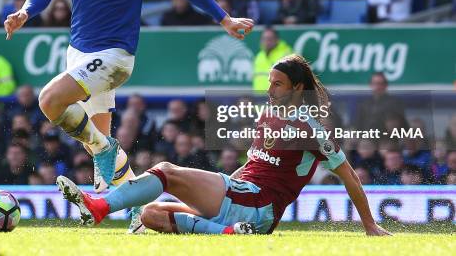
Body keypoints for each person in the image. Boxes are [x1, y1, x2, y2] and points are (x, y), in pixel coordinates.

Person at [3, 0, 253, 233]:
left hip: (115, 56)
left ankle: (108, 156)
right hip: (79, 54)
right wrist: (26, 11)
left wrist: (224, 18)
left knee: (50, 100)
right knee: (98, 150)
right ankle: (139, 216)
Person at [56, 54, 391, 236]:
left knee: (166, 171)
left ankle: (99, 207)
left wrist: (369, 225)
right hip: (241, 197)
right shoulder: (268, 114)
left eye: (278, 84)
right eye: (269, 82)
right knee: (151, 214)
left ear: (297, 87)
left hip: (258, 205)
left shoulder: (310, 127)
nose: (270, 90)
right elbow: (254, 164)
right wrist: (226, 182)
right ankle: (229, 233)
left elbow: (349, 175)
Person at [253, 27, 293, 92]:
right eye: (264, 39)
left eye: (270, 39)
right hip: (259, 98)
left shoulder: (286, 55)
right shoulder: (259, 56)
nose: (267, 41)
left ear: (277, 40)